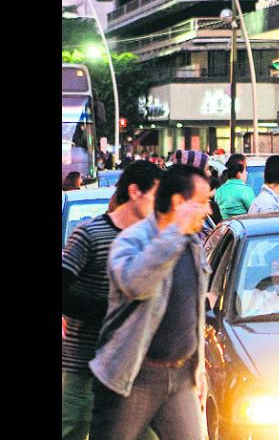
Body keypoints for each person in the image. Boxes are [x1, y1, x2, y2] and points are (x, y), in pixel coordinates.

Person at [88, 165, 212, 440]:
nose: (208, 210)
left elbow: (194, 312)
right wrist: (174, 231)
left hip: (180, 376)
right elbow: (136, 285)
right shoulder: (131, 240)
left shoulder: (192, 244)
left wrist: (199, 369)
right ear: (178, 202)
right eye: (202, 202)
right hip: (133, 376)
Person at [62, 161, 163, 440]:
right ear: (134, 191)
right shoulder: (90, 234)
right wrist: (108, 310)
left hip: (135, 368)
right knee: (73, 431)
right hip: (85, 363)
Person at [215, 153, 256, 219]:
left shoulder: (219, 191)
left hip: (225, 225)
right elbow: (255, 214)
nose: (247, 173)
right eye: (245, 169)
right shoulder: (245, 190)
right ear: (239, 173)